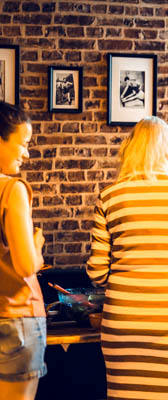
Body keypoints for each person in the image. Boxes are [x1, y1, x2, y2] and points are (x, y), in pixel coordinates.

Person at [86, 116, 168, 400]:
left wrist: (126, 273)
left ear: (130, 150)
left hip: (122, 321)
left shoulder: (109, 196)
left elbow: (97, 272)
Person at [0, 101, 46, 400]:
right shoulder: (12, 190)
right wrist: (37, 245)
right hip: (15, 317)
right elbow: (26, 266)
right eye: (23, 143)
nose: (26, 153)